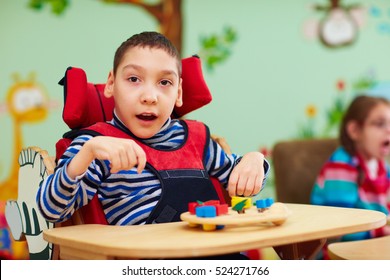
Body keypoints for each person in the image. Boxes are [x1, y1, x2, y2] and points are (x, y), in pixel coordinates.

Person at [36, 31, 269, 258]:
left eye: (164, 82)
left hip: (216, 255)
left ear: (178, 93)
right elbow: (51, 210)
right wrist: (86, 153)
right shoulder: (95, 146)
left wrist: (254, 160)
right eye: (134, 79)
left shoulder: (198, 140)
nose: (150, 96)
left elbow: (243, 181)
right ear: (111, 84)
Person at [311, 95, 390, 244]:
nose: (389, 130)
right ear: (355, 131)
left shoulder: (382, 166)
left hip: (374, 243)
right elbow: (342, 227)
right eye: (380, 124)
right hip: (339, 251)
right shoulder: (341, 167)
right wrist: (382, 231)